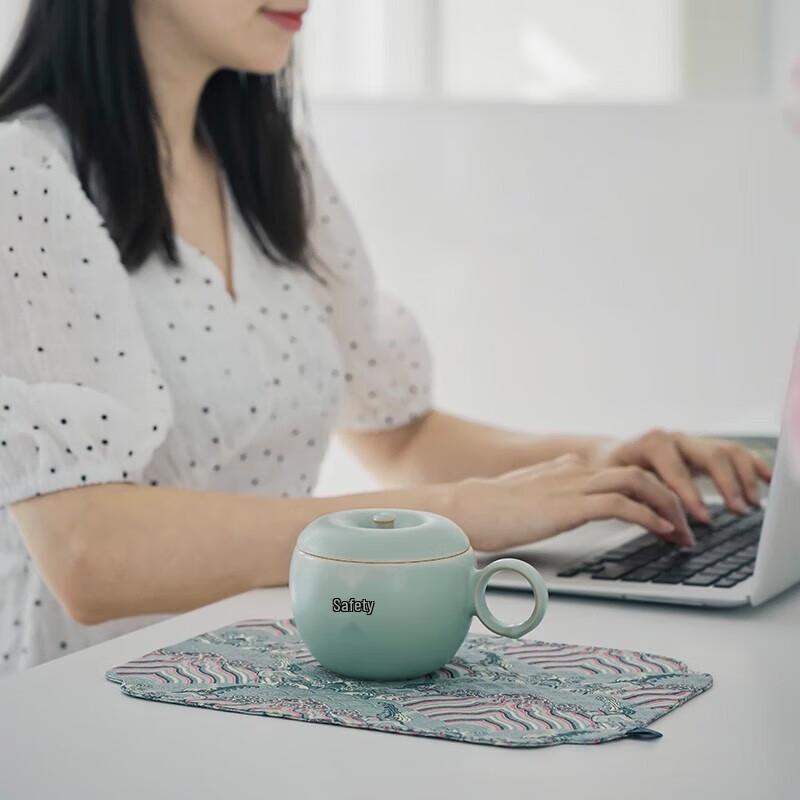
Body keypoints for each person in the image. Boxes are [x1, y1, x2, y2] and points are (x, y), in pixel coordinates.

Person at [0, 0, 771, 674]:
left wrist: (600, 464)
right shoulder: (23, 173)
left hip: (261, 676)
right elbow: (89, 557)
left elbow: (399, 438)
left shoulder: (268, 166)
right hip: (93, 707)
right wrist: (449, 517)